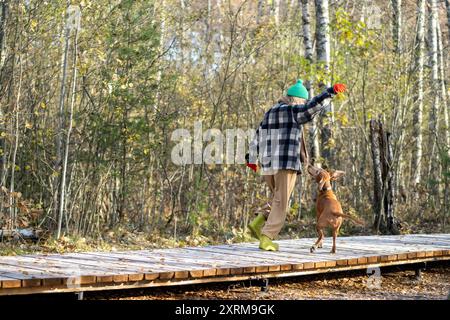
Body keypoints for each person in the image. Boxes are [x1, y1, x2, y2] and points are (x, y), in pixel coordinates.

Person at [246, 80, 347, 251]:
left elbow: (258, 134)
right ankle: (267, 236)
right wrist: (330, 92)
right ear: (298, 100)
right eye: (303, 102)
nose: (303, 105)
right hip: (285, 163)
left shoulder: (270, 112)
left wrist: (251, 157)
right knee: (281, 201)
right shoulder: (293, 110)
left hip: (267, 163)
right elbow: (312, 107)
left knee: (277, 197)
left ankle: (259, 221)